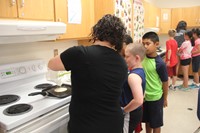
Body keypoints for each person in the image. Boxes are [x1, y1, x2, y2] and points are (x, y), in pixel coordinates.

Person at [48, 14, 127, 133]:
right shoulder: (122, 62)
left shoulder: (80, 53)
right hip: (113, 124)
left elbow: (51, 65)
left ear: (97, 31)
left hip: (86, 126)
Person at [142, 32, 168, 133]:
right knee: (147, 122)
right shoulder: (142, 58)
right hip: (145, 98)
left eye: (148, 44)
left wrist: (165, 98)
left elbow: (165, 82)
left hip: (156, 98)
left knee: (156, 124)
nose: (145, 46)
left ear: (156, 44)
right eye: (143, 43)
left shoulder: (160, 64)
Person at [121, 43, 146, 133]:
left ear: (137, 58)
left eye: (127, 56)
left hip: (130, 113)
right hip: (134, 112)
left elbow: (139, 100)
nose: (125, 59)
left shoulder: (133, 76)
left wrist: (123, 111)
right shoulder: (140, 70)